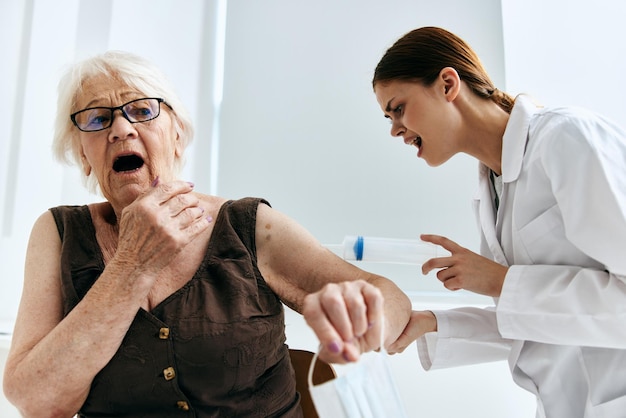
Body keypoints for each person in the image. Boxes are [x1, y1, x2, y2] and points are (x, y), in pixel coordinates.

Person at [1, 50, 411, 418]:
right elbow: (37, 402)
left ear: (177, 135)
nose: (121, 129)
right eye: (97, 118)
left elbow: (386, 295)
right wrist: (131, 265)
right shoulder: (58, 233)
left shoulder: (248, 225)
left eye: (142, 111)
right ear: (81, 154)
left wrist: (369, 319)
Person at [365, 26, 625, 417]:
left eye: (398, 108)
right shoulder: (490, 190)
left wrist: (500, 282)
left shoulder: (567, 139)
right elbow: (531, 321)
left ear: (448, 84)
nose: (394, 130)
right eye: (388, 117)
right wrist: (431, 323)